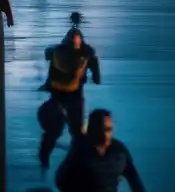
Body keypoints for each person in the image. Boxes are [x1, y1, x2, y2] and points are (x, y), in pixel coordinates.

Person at [39, 27, 102, 169]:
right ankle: (44, 157)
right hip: (57, 94)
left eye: (77, 41)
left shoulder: (87, 52)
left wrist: (96, 74)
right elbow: (48, 52)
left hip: (75, 93)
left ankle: (77, 161)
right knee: (54, 129)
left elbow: (94, 62)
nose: (75, 44)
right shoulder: (58, 51)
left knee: (77, 131)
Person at [56, 109, 145, 192]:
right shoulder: (80, 152)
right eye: (101, 129)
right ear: (92, 130)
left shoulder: (119, 151)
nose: (105, 134)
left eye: (108, 130)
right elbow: (61, 182)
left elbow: (134, 180)